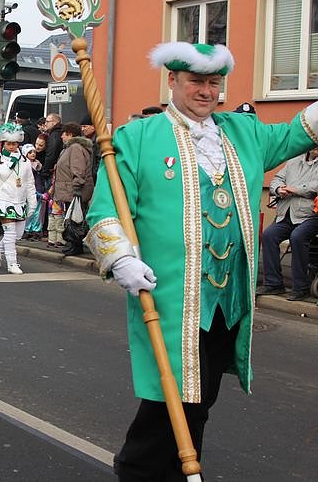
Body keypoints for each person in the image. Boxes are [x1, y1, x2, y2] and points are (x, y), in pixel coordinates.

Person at [85, 41, 318, 481]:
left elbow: (297, 132)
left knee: (202, 392)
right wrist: (120, 259)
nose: (206, 91)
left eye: (214, 82)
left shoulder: (244, 132)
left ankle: (175, 465)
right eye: (196, 81)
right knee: (171, 392)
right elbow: (106, 210)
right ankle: (141, 469)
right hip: (172, 294)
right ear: (172, 80)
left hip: (227, 296)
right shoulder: (136, 138)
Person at [257, 148, 318, 300]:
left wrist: (295, 189)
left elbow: (315, 186)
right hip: (287, 214)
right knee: (269, 235)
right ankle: (273, 284)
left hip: (310, 215)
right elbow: (277, 178)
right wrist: (279, 189)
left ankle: (300, 287)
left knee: (297, 236)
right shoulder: (294, 161)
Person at [0, 123, 37, 274]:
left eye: (14, 143)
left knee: (18, 234)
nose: (12, 146)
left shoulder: (25, 162)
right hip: (3, 202)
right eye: (9, 143)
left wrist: (32, 203)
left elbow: (30, 184)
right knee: (10, 233)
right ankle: (12, 263)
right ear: (3, 143)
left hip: (20, 202)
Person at [52, 123, 95, 256]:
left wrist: (77, 186)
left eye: (64, 134)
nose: (61, 136)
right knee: (72, 217)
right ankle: (73, 244)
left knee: (75, 219)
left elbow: (78, 169)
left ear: (70, 134)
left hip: (75, 189)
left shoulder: (75, 148)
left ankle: (75, 244)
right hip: (68, 188)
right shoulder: (69, 148)